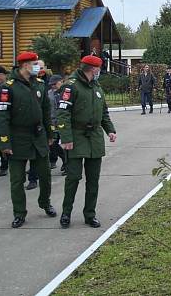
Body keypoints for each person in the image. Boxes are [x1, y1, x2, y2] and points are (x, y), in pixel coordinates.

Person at [0, 52, 57, 228]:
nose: (39, 67)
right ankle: (19, 213)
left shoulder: (39, 84)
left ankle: (45, 203)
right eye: (35, 64)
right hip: (18, 138)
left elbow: (46, 111)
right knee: (17, 180)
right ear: (25, 65)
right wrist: (4, 143)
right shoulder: (8, 87)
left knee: (45, 175)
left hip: (38, 137)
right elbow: (2, 117)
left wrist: (50, 134)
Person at [57, 55, 117, 229]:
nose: (100, 71)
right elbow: (63, 113)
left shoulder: (97, 87)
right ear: (93, 69)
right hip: (76, 137)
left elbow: (103, 112)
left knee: (93, 179)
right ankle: (66, 213)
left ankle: (90, 214)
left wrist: (110, 130)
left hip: (95, 138)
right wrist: (66, 138)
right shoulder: (71, 86)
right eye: (99, 68)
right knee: (73, 177)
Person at [25, 59, 50, 190]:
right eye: (36, 66)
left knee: (39, 155)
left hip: (40, 128)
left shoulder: (45, 82)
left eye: (41, 67)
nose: (39, 69)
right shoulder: (23, 83)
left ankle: (34, 178)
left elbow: (46, 108)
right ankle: (31, 177)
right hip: (23, 129)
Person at [47, 75, 67, 173]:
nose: (62, 84)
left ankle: (67, 165)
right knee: (53, 145)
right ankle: (65, 159)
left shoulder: (65, 94)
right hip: (52, 123)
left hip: (63, 122)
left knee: (66, 144)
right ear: (54, 84)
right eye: (60, 82)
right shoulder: (48, 94)